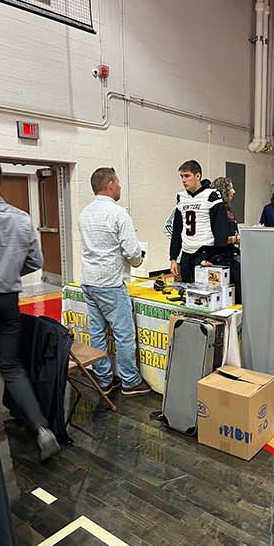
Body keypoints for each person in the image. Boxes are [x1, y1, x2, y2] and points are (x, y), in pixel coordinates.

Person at [0, 158, 58, 461]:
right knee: (11, 367)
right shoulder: (22, 218)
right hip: (8, 300)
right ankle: (42, 430)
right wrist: (7, 272)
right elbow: (35, 261)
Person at [77, 168, 151, 396]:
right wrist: (139, 259)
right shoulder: (119, 214)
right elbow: (132, 252)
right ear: (110, 184)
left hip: (89, 281)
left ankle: (104, 379)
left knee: (97, 332)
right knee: (124, 334)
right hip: (110, 283)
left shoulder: (84, 213)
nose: (120, 186)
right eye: (118, 182)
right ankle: (130, 380)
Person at [167, 160, 238, 284]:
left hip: (206, 255)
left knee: (208, 292)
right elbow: (177, 231)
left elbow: (220, 232)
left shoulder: (211, 196)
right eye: (182, 176)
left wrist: (216, 258)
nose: (184, 180)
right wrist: (173, 258)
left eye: (187, 176)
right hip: (187, 255)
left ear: (198, 176)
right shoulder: (181, 198)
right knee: (188, 291)